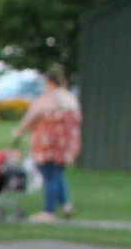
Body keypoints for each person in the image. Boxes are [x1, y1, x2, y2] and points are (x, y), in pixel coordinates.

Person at [13, 68, 81, 220]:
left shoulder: (47, 99)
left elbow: (31, 117)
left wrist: (19, 132)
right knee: (58, 172)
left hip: (48, 143)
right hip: (67, 144)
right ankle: (65, 204)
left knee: (49, 174)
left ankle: (48, 211)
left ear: (49, 82)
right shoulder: (70, 98)